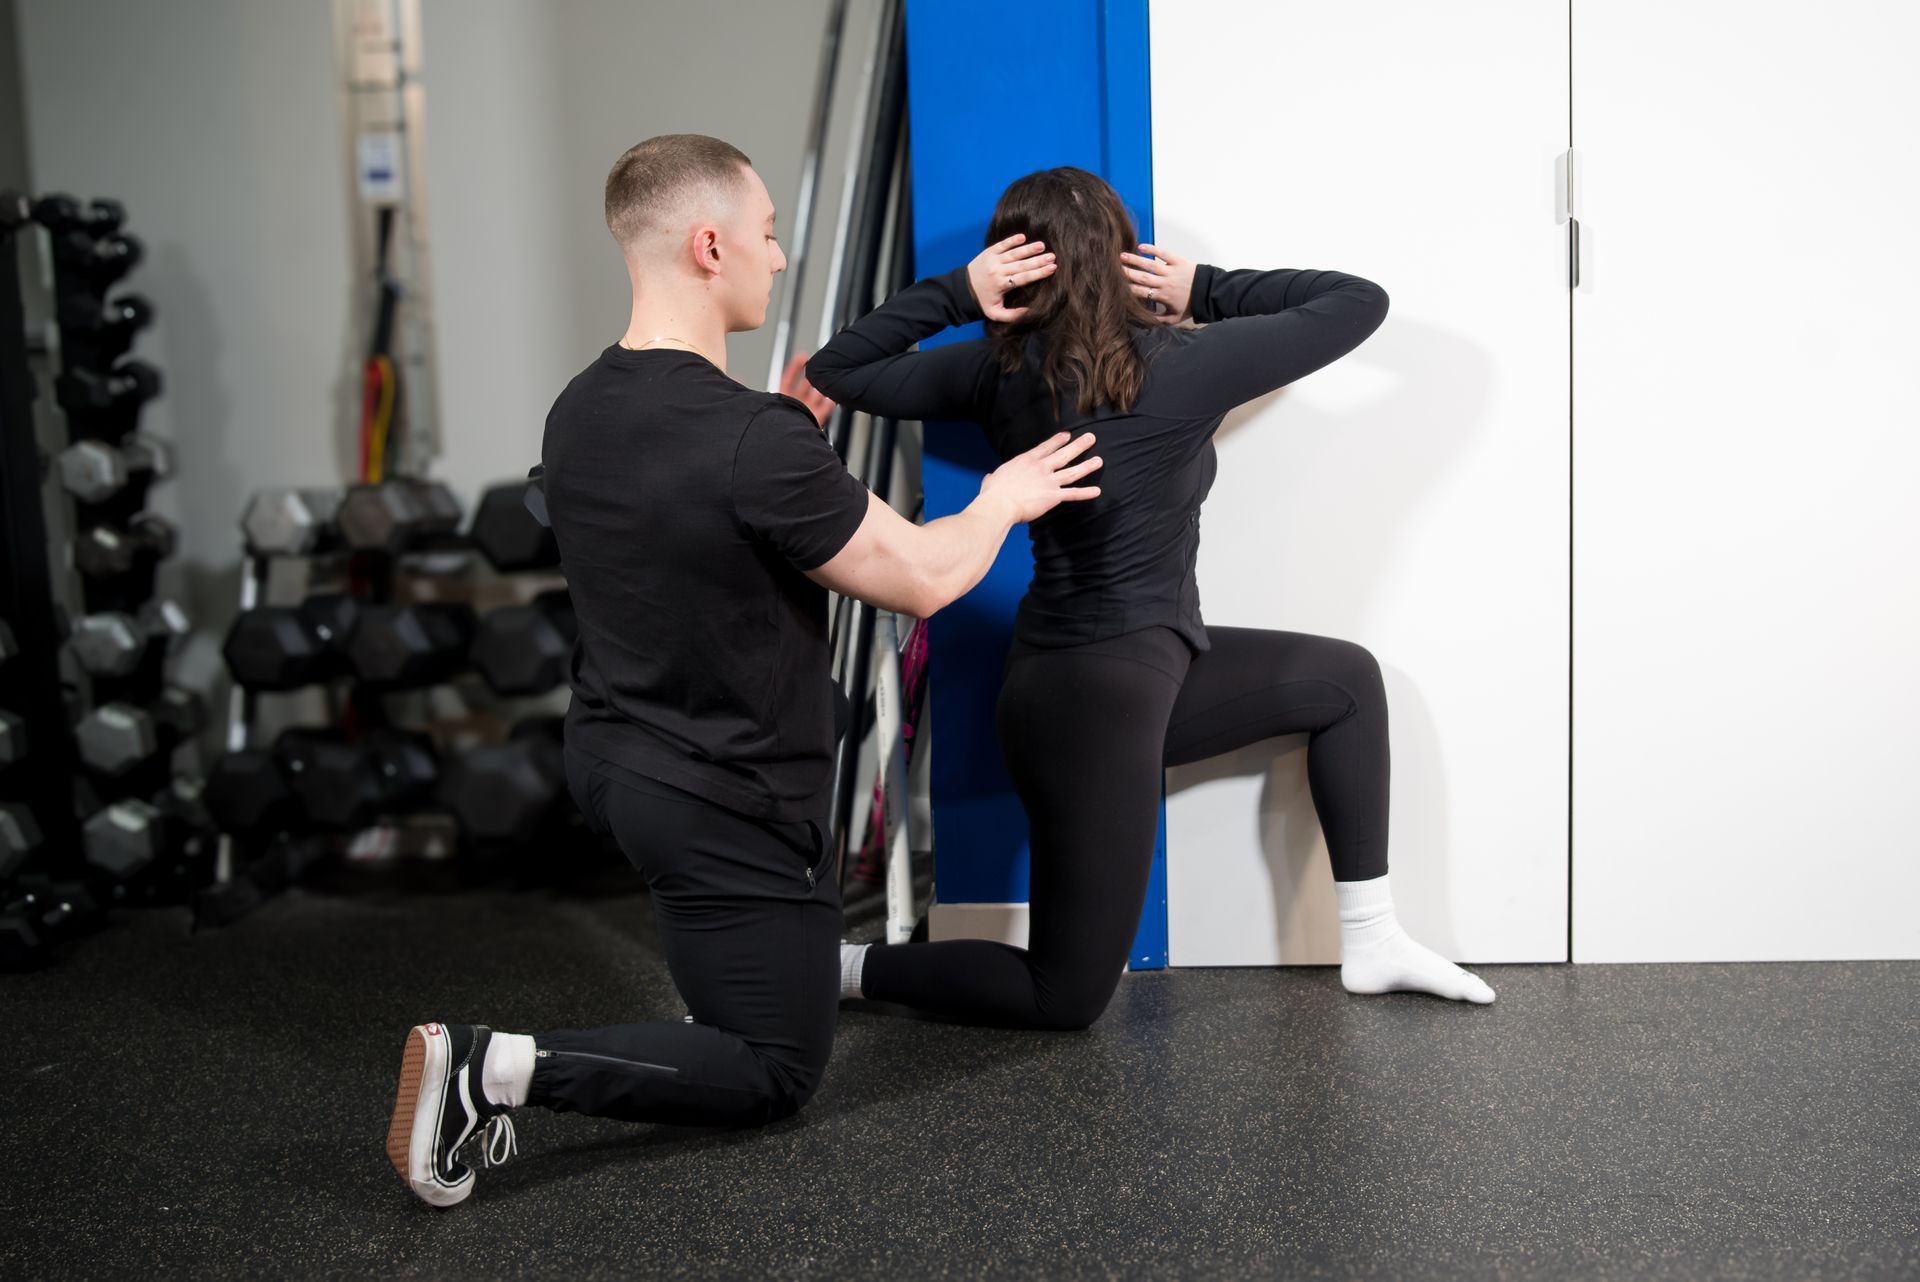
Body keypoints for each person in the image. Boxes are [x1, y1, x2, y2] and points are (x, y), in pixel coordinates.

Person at [384, 135, 1102, 1208]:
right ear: (709, 244)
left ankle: (745, 987)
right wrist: (1001, 499)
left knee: (771, 974)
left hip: (624, 756)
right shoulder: (747, 442)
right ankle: (493, 1069)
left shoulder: (583, 408)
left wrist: (787, 439)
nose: (777, 257)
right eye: (767, 234)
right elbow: (921, 578)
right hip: (720, 789)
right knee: (775, 1069)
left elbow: (679, 521)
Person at [807, 166, 1496, 1032]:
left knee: (1347, 681)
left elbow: (843, 367)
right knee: (1064, 996)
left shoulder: (994, 370)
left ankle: (1373, 937)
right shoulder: (1185, 362)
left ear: (1019, 263)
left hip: (1130, 673)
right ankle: (839, 968)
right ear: (1120, 253)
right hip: (1093, 704)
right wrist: (1204, 287)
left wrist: (960, 293)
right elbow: (1355, 301)